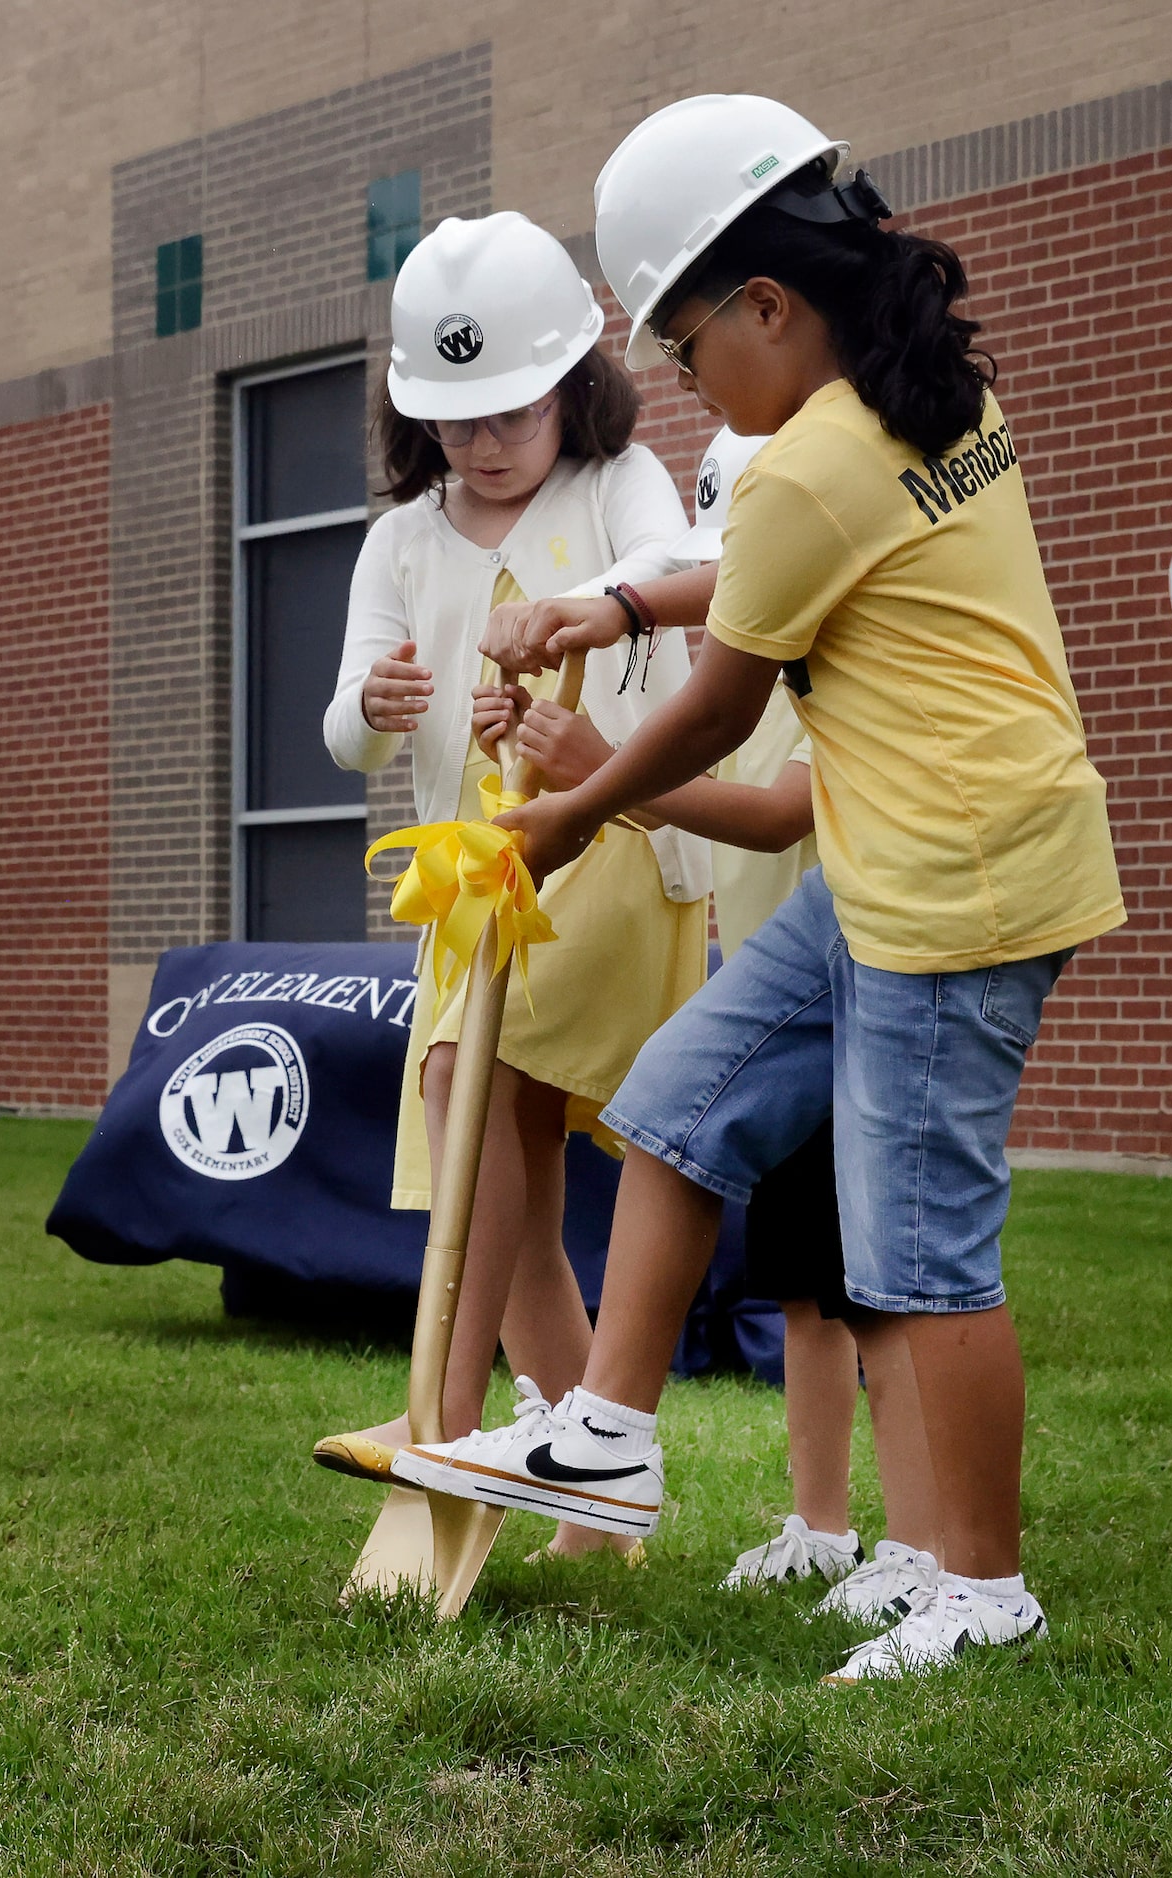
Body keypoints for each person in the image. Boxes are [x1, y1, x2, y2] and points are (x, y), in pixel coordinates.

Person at [390, 95, 1125, 1681]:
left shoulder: (810, 470)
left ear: (770, 307)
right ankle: (608, 1435)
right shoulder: (925, 393)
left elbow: (720, 701)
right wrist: (612, 600)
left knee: (921, 1251)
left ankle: (981, 1587)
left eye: (681, 343)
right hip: (891, 860)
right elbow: (756, 561)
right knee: (678, 1092)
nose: (674, 380)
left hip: (959, 887)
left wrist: (568, 818)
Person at [310, 210, 711, 1563]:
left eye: (514, 408)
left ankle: (447, 1413)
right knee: (514, 1191)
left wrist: (574, 608)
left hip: (603, 858)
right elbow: (346, 734)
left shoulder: (618, 485)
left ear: (575, 381)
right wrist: (373, 700)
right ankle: (589, 1495)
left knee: (464, 1099)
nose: (486, 442)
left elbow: (672, 574)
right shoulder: (399, 542)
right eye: (455, 416)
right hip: (462, 889)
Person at [501, 428, 933, 1609]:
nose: (712, 611)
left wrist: (609, 776)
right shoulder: (739, 683)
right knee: (799, 1282)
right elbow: (697, 822)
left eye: (731, 579)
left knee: (877, 1284)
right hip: (778, 1002)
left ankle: (921, 1548)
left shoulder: (826, 671)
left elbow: (780, 813)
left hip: (859, 1002)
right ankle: (822, 1522)